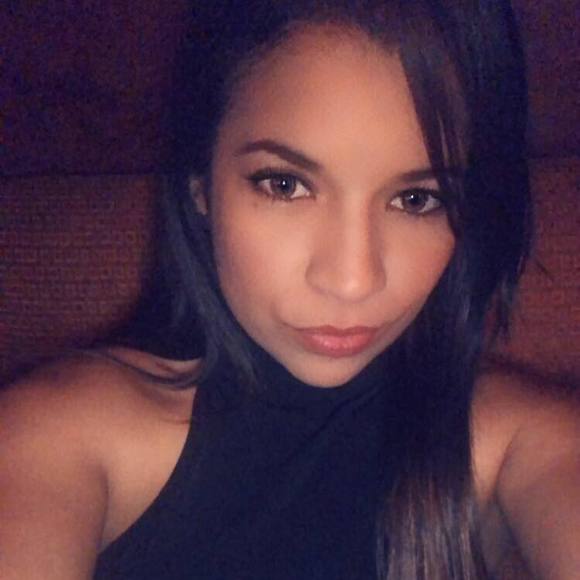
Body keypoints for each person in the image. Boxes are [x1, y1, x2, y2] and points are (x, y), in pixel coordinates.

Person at [1, 1, 578, 578]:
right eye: (284, 185)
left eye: (416, 199)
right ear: (200, 184)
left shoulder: (521, 442)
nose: (352, 281)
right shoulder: (60, 439)